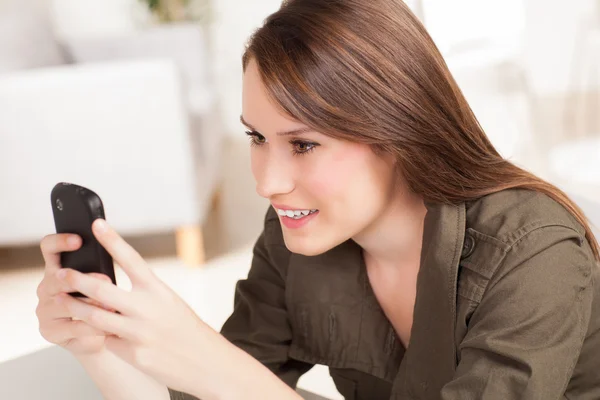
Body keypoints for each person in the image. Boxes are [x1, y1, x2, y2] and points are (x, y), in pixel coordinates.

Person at [35, 1, 600, 399]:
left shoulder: (533, 251)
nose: (267, 182)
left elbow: (235, 386)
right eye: (256, 138)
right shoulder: (300, 237)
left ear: (399, 131)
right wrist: (98, 345)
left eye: (303, 144)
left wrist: (225, 373)